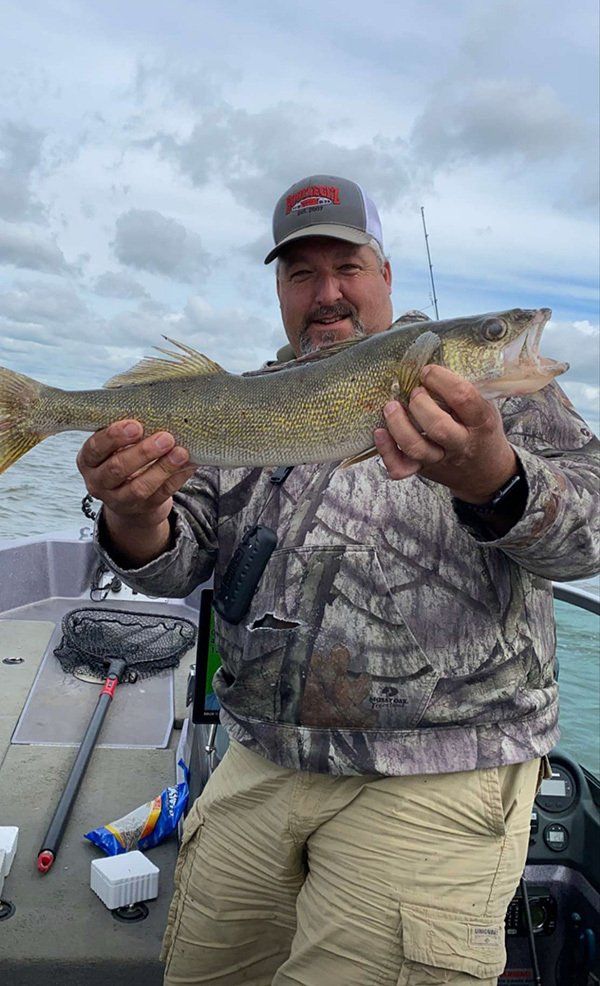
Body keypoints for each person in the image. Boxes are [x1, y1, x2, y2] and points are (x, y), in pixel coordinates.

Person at [78, 174, 599, 986]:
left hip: (437, 776)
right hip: (255, 762)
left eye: (348, 266)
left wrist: (494, 474)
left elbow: (592, 533)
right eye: (299, 273)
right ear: (279, 289)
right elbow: (181, 559)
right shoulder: (245, 401)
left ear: (386, 273)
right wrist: (134, 517)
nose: (326, 294)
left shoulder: (505, 398)